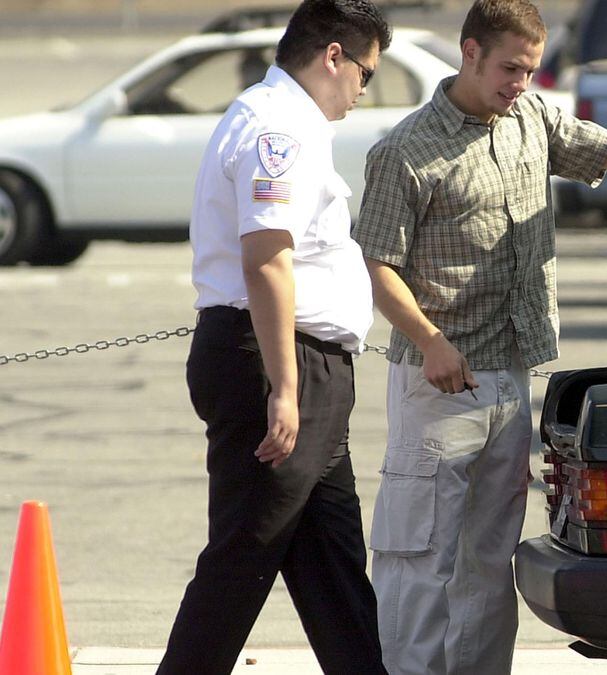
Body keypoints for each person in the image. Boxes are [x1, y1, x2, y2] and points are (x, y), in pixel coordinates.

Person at [351, 1, 607, 672]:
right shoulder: (407, 149)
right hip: (439, 382)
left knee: (488, 564)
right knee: (419, 560)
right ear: (469, 52)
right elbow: (378, 265)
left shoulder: (531, 118)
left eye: (529, 69)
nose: (519, 82)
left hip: (507, 379)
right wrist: (431, 338)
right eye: (508, 68)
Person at [157, 2, 391, 673]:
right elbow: (265, 256)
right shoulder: (277, 128)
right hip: (275, 361)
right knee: (242, 557)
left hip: (303, 366)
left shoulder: (286, 121)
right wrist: (285, 389)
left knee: (333, 566)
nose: (362, 91)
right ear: (333, 57)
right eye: (365, 74)